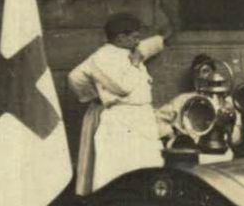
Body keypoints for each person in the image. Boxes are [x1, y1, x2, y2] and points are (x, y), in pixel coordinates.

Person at [67, 12, 170, 194]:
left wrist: (164, 37)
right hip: (120, 120)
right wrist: (93, 96)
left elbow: (148, 47)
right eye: (135, 37)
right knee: (118, 172)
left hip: (141, 119)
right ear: (121, 38)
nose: (138, 42)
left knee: (146, 169)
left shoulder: (128, 51)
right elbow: (122, 87)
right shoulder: (101, 58)